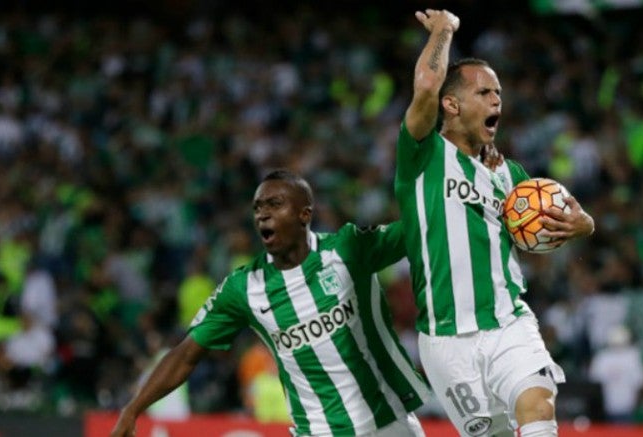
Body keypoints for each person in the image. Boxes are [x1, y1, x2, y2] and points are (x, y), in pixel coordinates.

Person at [395, 9, 595, 437]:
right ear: (452, 104)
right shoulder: (421, 155)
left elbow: (571, 214)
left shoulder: (513, 176)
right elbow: (427, 84)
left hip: (508, 323)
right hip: (446, 341)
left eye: (498, 93)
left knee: (538, 406)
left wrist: (584, 226)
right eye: (484, 92)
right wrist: (445, 29)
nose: (496, 101)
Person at [110, 169, 430, 437]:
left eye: (275, 204)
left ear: (305, 213)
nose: (263, 213)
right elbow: (185, 354)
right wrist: (134, 408)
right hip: (319, 432)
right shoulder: (244, 288)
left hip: (391, 424)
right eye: (258, 207)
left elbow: (422, 229)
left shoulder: (348, 249)